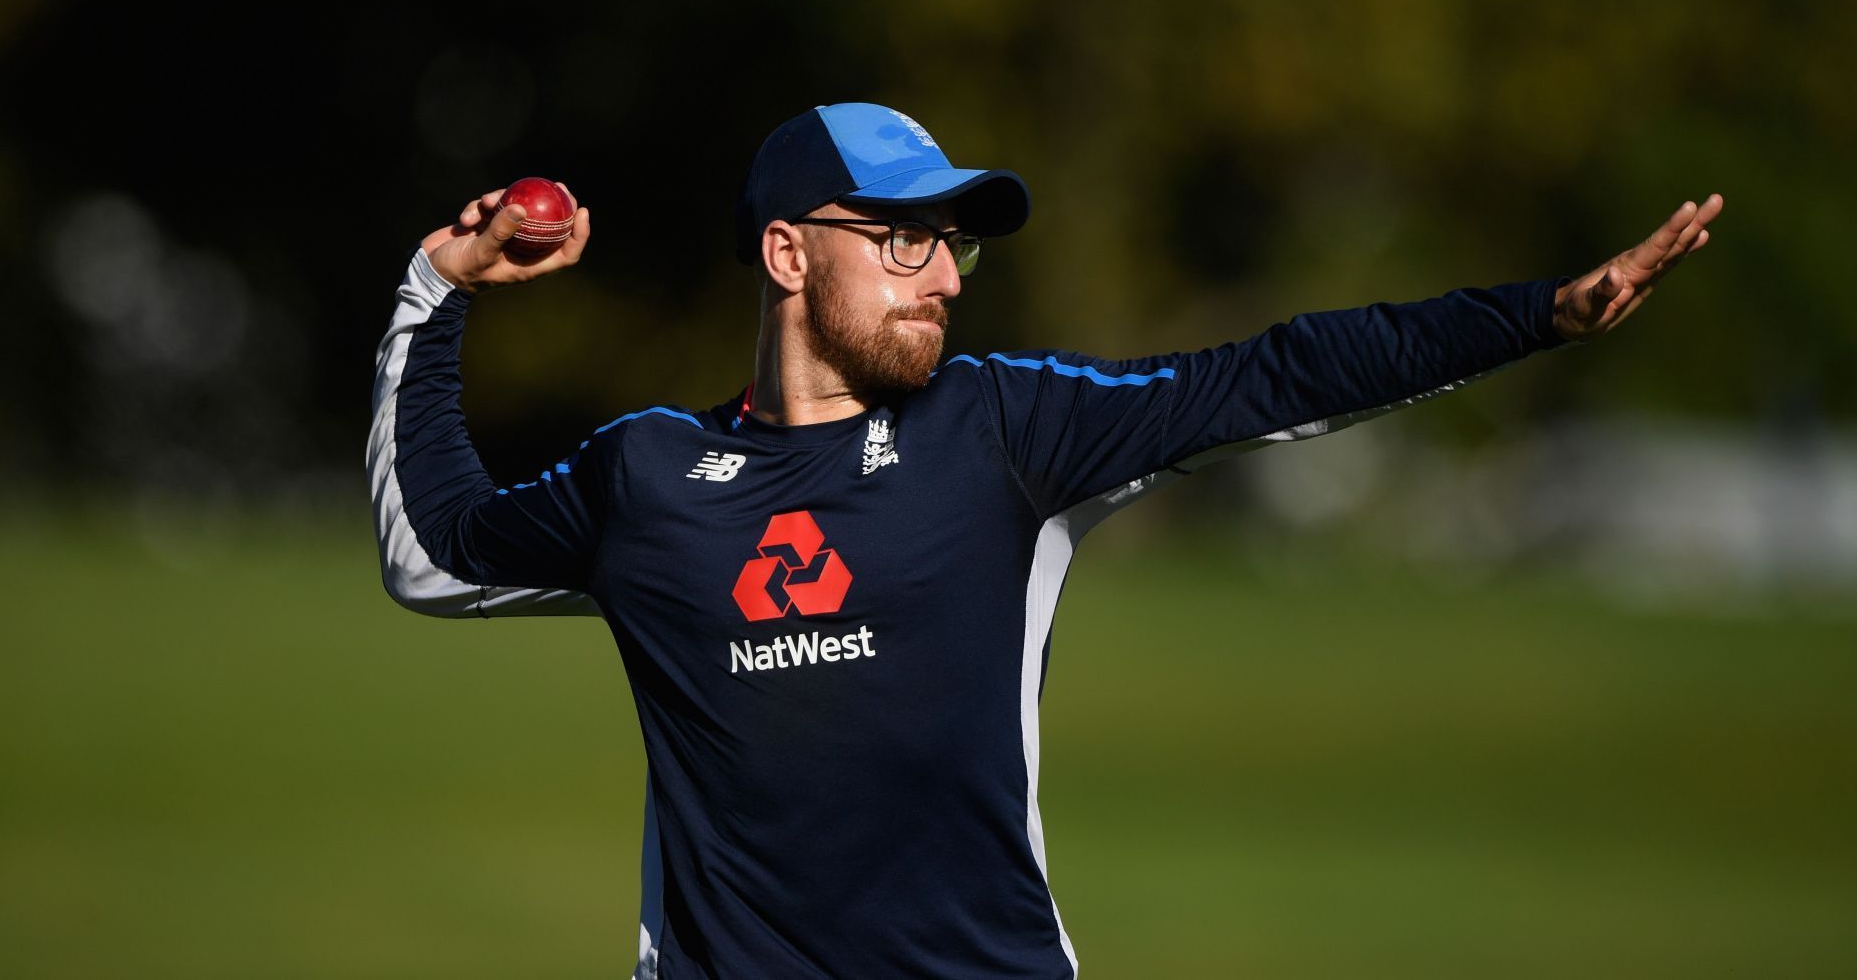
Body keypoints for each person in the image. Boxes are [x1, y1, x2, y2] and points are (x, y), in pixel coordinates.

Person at [366, 102, 1719, 979]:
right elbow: (436, 553)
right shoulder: (647, 476)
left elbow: (1274, 374)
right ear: (788, 256)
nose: (946, 275)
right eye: (902, 239)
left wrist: (1536, 313)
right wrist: (439, 292)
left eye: (952, 243)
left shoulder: (1001, 430)